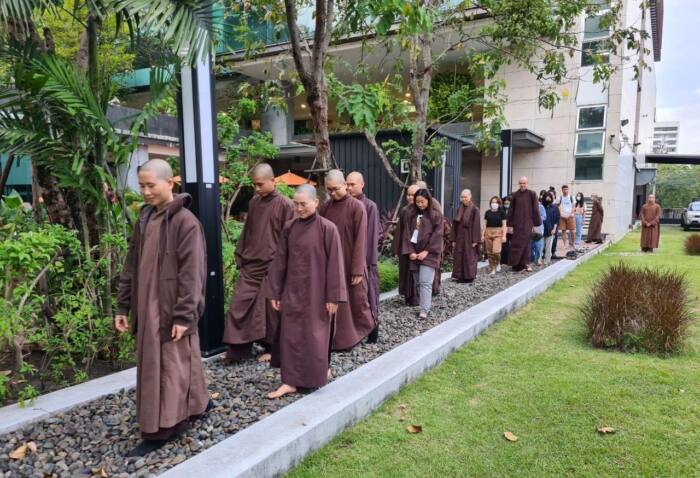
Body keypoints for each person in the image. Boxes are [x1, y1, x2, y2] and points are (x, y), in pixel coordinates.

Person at [115, 159, 210, 457]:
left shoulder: (186, 223)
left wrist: (184, 315)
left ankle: (164, 427)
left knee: (168, 365)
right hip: (146, 306)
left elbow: (193, 274)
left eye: (151, 185)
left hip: (169, 308)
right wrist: (123, 305)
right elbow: (131, 265)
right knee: (176, 360)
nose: (145, 192)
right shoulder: (145, 218)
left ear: (170, 183)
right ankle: (197, 405)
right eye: (141, 186)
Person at [265, 184, 347, 399]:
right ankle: (290, 381)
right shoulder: (289, 228)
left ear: (316, 202)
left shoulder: (328, 229)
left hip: (318, 293)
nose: (299, 209)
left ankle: (315, 375)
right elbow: (280, 261)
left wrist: (333, 297)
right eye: (296, 204)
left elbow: (335, 264)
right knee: (291, 336)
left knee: (315, 335)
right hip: (292, 291)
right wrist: (275, 292)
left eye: (304, 204)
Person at [222, 163, 294, 365]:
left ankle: (272, 349)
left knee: (269, 311)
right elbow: (248, 230)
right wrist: (240, 256)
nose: (257, 188)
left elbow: (291, 240)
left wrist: (284, 268)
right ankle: (236, 350)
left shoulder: (286, 205)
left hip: (272, 266)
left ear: (272, 181)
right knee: (238, 306)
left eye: (260, 184)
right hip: (251, 265)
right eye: (254, 184)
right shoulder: (254, 202)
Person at [320, 170, 376, 350]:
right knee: (336, 301)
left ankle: (360, 334)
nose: (333, 193)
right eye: (329, 190)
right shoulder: (325, 208)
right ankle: (338, 340)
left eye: (336, 189)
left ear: (344, 185)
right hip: (331, 264)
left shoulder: (357, 207)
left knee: (356, 300)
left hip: (350, 261)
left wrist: (358, 268)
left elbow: (361, 239)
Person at [346, 171, 381, 343]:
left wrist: (366, 263)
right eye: (347, 184)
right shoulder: (345, 205)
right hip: (348, 260)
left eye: (352, 184)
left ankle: (373, 331)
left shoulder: (369, 206)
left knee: (369, 297)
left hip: (365, 262)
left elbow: (371, 237)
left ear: (362, 184)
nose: (349, 187)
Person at [402, 189, 443, 319]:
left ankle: (424, 310)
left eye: (422, 202)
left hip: (429, 254)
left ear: (428, 201)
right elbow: (407, 234)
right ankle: (424, 305)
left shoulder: (436, 215)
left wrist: (426, 251)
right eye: (417, 202)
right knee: (419, 282)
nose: (420, 204)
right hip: (414, 253)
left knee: (425, 282)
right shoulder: (411, 215)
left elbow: (437, 235)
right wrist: (410, 251)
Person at [507, 177, 542, 272]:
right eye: (521, 183)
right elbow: (511, 210)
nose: (522, 185)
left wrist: (535, 224)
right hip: (517, 223)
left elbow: (535, 209)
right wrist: (509, 224)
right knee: (516, 243)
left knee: (527, 244)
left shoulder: (532, 194)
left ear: (527, 183)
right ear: (519, 184)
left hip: (528, 223)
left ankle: (526, 264)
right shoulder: (515, 195)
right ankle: (516, 264)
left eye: (524, 183)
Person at [393, 184, 419, 306]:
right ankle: (408, 296)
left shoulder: (422, 210)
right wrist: (397, 248)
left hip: (417, 246)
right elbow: (400, 230)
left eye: (413, 195)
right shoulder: (404, 210)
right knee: (405, 271)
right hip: (404, 245)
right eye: (408, 195)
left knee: (415, 272)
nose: (410, 197)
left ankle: (416, 298)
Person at [452, 189, 481, 283]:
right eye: (462, 197)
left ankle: (469, 276)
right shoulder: (459, 209)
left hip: (469, 237)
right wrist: (454, 239)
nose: (463, 199)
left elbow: (477, 225)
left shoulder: (475, 209)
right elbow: (455, 225)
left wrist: (475, 240)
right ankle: (460, 276)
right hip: (460, 236)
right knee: (459, 255)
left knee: (469, 256)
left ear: (470, 197)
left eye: (465, 197)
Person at [482, 196, 507, 275]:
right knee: (489, 252)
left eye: (496, 202)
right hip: (488, 232)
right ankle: (493, 268)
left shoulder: (502, 212)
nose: (494, 204)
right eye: (492, 202)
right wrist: (482, 235)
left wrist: (504, 235)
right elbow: (485, 224)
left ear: (499, 203)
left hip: (498, 232)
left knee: (496, 251)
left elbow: (504, 225)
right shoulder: (487, 212)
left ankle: (498, 262)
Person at [542, 192, 560, 264]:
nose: (548, 199)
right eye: (546, 197)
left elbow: (557, 219)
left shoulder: (555, 207)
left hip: (551, 230)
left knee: (549, 246)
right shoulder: (541, 207)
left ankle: (547, 260)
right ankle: (539, 259)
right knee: (541, 246)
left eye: (549, 198)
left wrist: (554, 229)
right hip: (541, 230)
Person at [558, 184, 576, 255]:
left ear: (568, 190)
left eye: (566, 189)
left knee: (572, 231)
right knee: (563, 230)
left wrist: (569, 214)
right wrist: (561, 214)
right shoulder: (559, 198)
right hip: (562, 216)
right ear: (562, 190)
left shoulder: (572, 197)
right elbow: (557, 205)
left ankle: (573, 243)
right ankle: (565, 244)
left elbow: (574, 207)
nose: (565, 190)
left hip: (570, 216)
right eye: (564, 189)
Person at [531, 197, 546, 265]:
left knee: (538, 246)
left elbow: (544, 217)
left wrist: (536, 219)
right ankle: (531, 260)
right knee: (530, 246)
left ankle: (537, 259)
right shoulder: (528, 207)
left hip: (539, 229)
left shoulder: (541, 207)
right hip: (529, 229)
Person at [500, 196, 512, 269]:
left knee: (510, 245)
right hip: (503, 229)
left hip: (511, 229)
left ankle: (509, 260)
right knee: (504, 245)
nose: (506, 204)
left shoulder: (512, 209)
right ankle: (503, 260)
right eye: (505, 203)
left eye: (508, 203)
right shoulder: (502, 209)